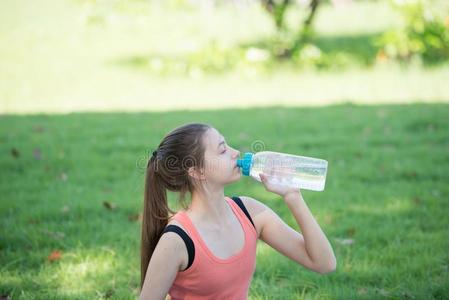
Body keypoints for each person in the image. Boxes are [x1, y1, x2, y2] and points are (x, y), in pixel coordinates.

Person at [139, 123, 336, 300]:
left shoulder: (249, 213)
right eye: (222, 150)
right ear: (197, 171)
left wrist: (293, 196)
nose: (235, 153)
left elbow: (324, 263)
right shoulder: (177, 240)